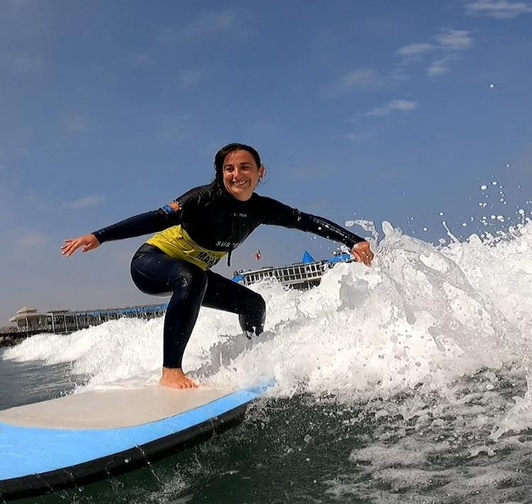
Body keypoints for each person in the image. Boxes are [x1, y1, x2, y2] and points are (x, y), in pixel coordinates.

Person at [61, 143, 374, 389]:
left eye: (244, 167)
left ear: (260, 172)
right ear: (221, 173)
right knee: (192, 276)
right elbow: (156, 217)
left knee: (253, 304)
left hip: (190, 275)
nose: (237, 174)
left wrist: (353, 240)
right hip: (151, 263)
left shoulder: (262, 208)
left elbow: (305, 221)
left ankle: (253, 356)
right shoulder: (202, 199)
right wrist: (100, 236)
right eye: (229, 169)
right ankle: (170, 371)